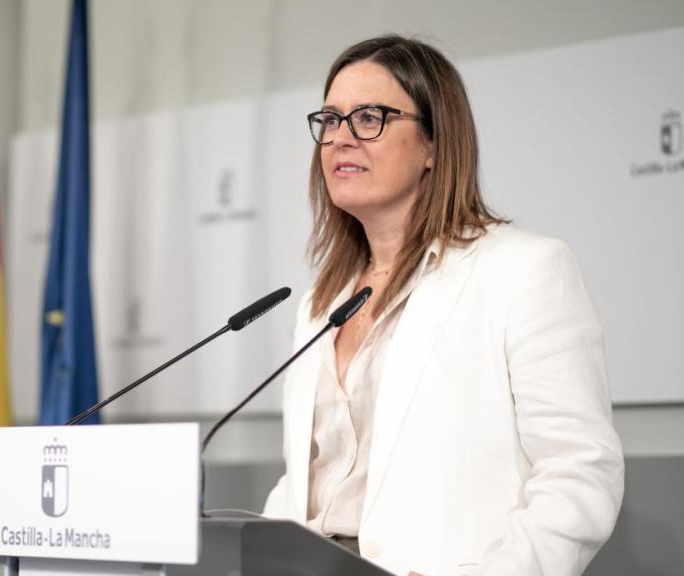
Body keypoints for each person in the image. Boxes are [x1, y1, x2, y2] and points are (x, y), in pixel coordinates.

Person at [262, 35, 624, 576]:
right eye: (331, 120)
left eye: (369, 118)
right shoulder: (322, 300)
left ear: (434, 145)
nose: (341, 138)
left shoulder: (523, 270)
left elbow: (579, 474)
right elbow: (310, 479)